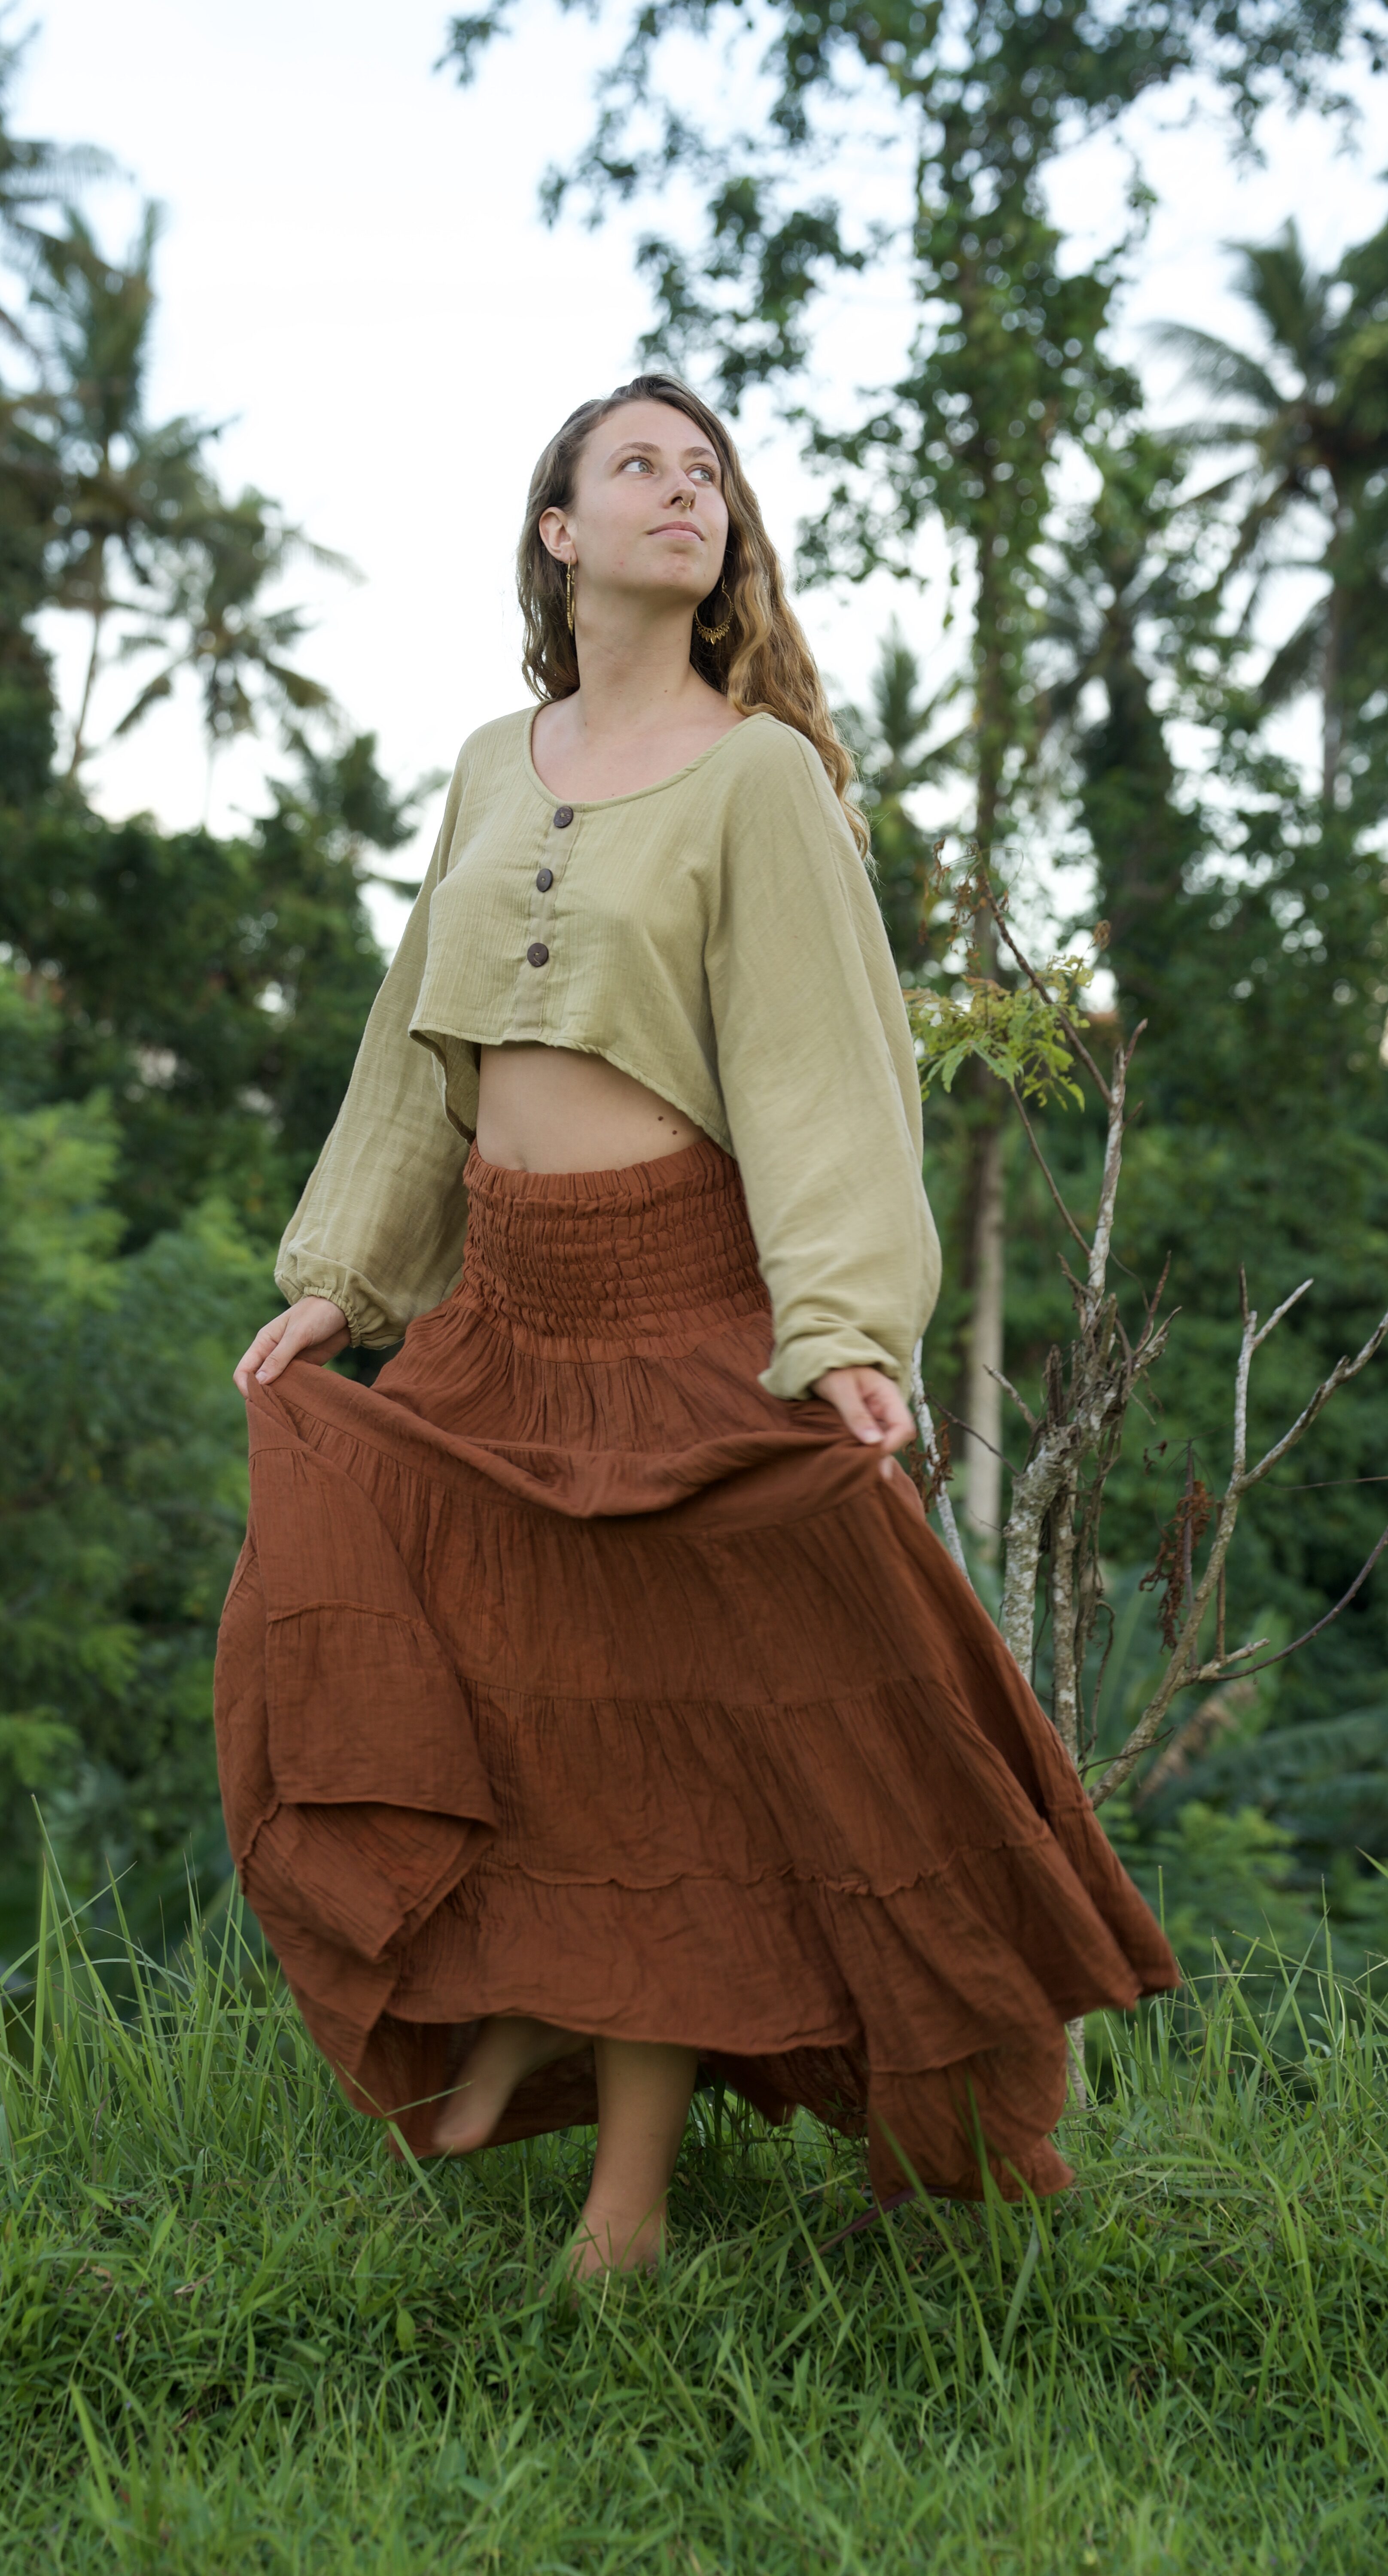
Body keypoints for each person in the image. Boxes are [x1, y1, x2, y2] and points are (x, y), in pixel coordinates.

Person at [214, 373, 1175, 2283]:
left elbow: (827, 1071)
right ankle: (519, 2036)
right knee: (459, 1693)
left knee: (659, 1764)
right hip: (501, 1317)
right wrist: (343, 1281)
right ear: (558, 532)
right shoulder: (491, 764)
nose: (686, 490)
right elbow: (416, 1050)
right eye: (639, 466)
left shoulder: (761, 777)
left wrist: (843, 1329)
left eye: (708, 473)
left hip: (677, 1310)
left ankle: (625, 2218)